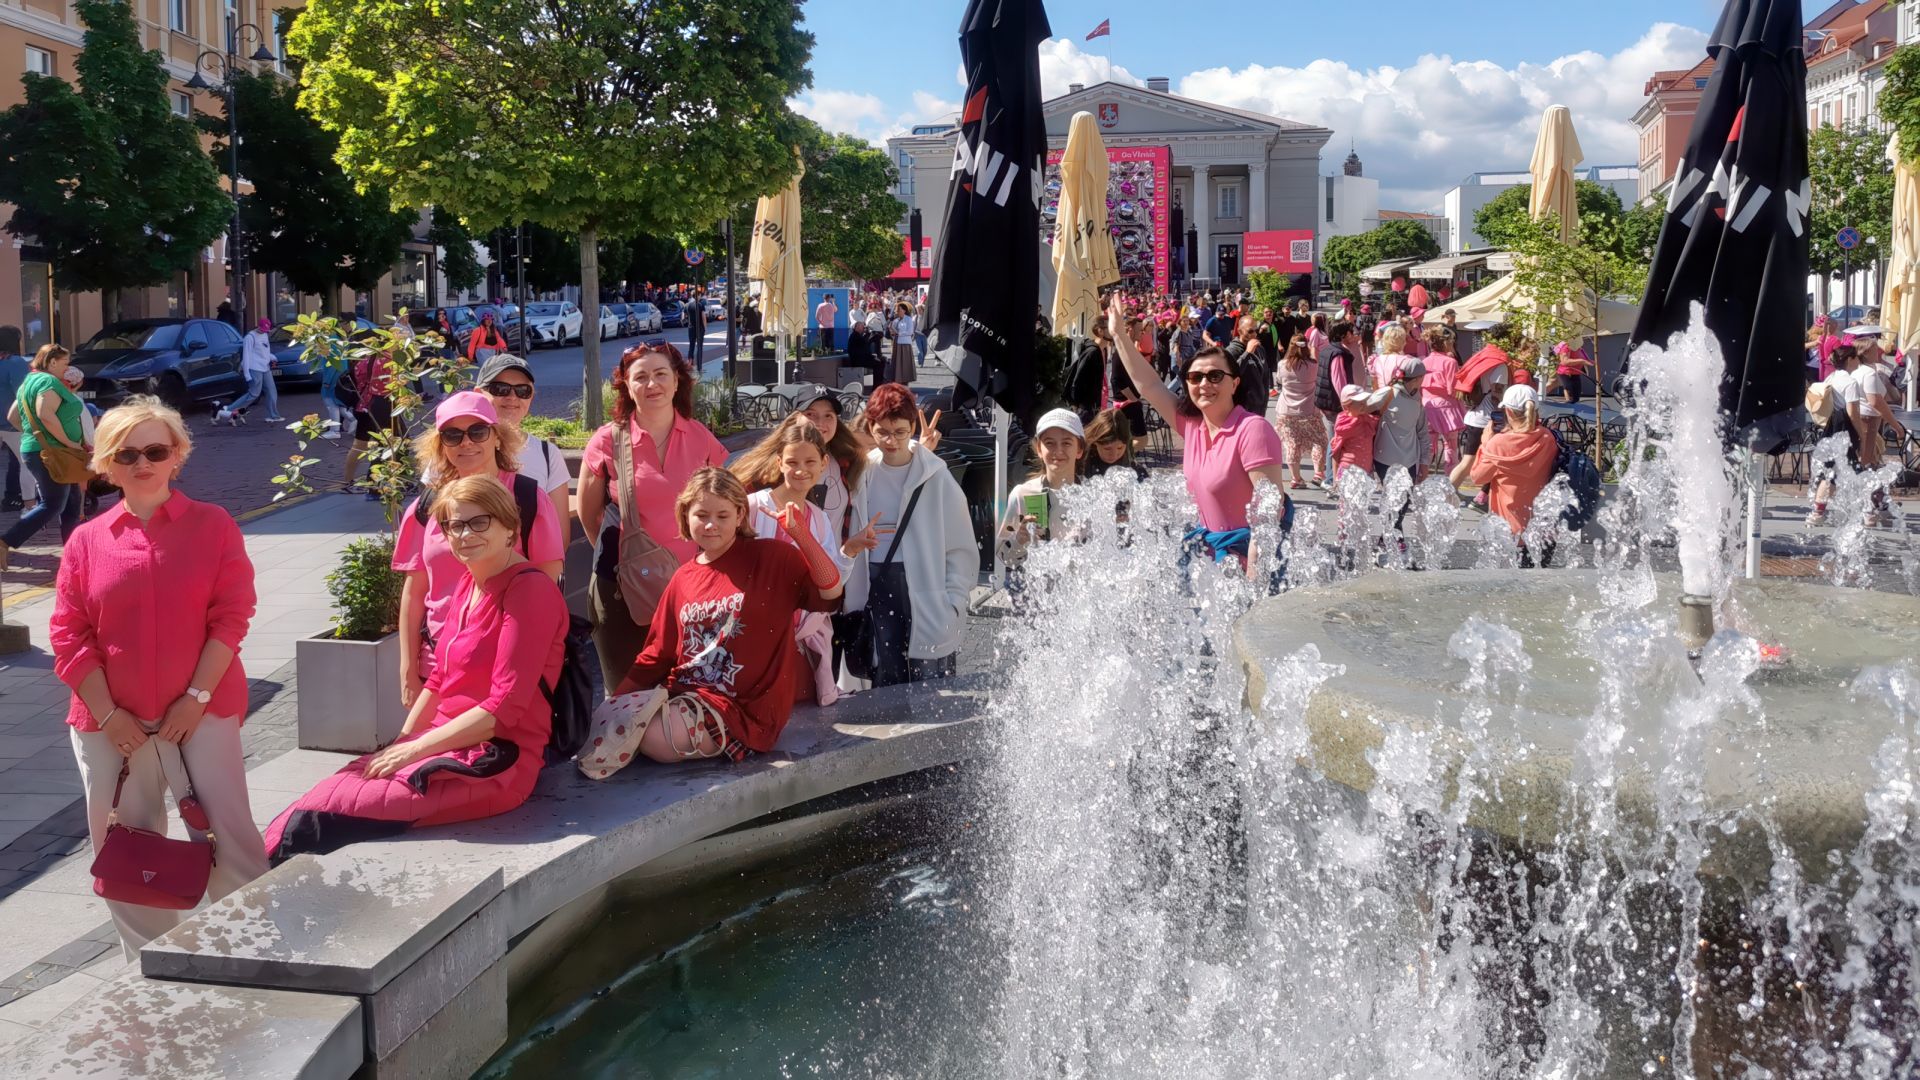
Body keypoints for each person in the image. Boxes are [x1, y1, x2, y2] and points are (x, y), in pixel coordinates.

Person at [50, 398, 268, 956]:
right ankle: (151, 966)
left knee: (229, 837)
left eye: (155, 450)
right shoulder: (86, 541)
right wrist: (108, 715)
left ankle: (252, 952)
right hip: (111, 722)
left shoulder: (213, 526)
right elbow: (69, 635)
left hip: (202, 711)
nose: (142, 463)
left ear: (177, 455)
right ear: (107, 463)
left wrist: (195, 698)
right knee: (126, 847)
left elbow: (231, 617)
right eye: (126, 454)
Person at [266, 475, 568, 860]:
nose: (465, 534)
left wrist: (412, 752)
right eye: (454, 525)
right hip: (446, 745)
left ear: (510, 527)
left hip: (496, 762)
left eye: (480, 522)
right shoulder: (471, 582)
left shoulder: (529, 591)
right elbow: (441, 679)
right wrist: (402, 743)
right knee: (322, 798)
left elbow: (503, 708)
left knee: (315, 820)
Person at [610, 467, 845, 761]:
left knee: (655, 737)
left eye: (723, 516)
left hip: (746, 711)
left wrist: (801, 535)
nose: (711, 525)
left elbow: (830, 594)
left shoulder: (773, 557)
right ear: (685, 515)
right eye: (701, 515)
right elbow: (657, 655)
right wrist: (615, 704)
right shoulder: (682, 577)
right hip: (684, 696)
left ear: (740, 515)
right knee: (622, 725)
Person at [395, 392, 565, 706]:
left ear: (497, 437)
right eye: (453, 435)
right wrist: (407, 670)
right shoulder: (426, 507)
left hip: (505, 663)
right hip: (437, 664)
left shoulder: (528, 499)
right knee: (428, 738)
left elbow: (547, 587)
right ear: (441, 445)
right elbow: (414, 593)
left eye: (478, 431)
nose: (466, 442)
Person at [578, 343, 730, 688]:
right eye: (640, 377)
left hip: (691, 588)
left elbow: (722, 508)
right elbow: (590, 517)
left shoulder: (700, 437)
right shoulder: (606, 441)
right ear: (626, 387)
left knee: (685, 690)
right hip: (622, 591)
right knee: (626, 695)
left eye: (661, 374)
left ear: (677, 381)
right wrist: (632, 560)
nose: (652, 384)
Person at [1107, 293, 1290, 576]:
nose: (1204, 383)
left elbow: (1268, 515)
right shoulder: (1193, 426)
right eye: (1195, 377)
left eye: (1215, 376)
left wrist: (1254, 581)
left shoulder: (1253, 430)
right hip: (1207, 561)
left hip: (1247, 563)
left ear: (1234, 383)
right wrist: (1119, 335)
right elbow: (1150, 386)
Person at [841, 384, 976, 686]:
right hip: (876, 580)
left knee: (930, 680)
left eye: (900, 432)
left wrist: (954, 600)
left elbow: (960, 544)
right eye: (883, 432)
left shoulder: (935, 474)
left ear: (912, 427)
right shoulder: (863, 472)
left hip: (925, 581)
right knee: (884, 675)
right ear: (871, 428)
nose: (891, 441)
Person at [1, 344, 87, 564]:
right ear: (52, 362)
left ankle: (73, 555)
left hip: (44, 450)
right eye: (65, 363)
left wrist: (33, 433)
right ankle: (6, 541)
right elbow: (44, 413)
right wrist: (67, 441)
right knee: (53, 504)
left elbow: (13, 417)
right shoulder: (48, 381)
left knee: (72, 502)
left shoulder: (29, 382)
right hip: (54, 452)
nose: (68, 368)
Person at [475, 354, 572, 536]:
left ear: (531, 397)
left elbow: (560, 536)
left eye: (523, 390)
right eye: (501, 389)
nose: (512, 397)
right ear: (478, 394)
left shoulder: (548, 454)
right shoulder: (457, 447)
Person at [1469, 384, 1560, 566]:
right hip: (1543, 534)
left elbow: (1477, 477)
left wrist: (1485, 444)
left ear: (1508, 411)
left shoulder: (1498, 444)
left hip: (1510, 533)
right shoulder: (1547, 438)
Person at [997, 408, 1084, 566]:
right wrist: (1019, 540)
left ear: (1079, 450)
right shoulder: (1023, 494)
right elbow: (1003, 559)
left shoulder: (1093, 495)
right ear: (1039, 449)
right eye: (1049, 443)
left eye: (1066, 443)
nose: (1058, 450)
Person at [1449, 337, 1513, 509]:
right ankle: (1454, 496)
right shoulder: (1500, 363)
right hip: (1488, 420)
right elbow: (1497, 392)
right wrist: (1504, 415)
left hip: (1476, 415)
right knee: (1475, 462)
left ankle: (1475, 496)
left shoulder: (1484, 356)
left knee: (1471, 461)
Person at [342, 348, 400, 494]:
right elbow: (391, 385)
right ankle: (378, 482)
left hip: (362, 405)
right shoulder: (387, 359)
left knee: (359, 445)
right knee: (388, 443)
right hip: (378, 405)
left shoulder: (363, 359)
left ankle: (347, 482)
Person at [1314, 320, 1362, 489]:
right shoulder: (1338, 354)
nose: (1353, 335)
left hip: (1326, 401)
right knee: (1336, 440)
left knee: (1333, 438)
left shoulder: (1328, 350)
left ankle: (1330, 477)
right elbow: (1339, 381)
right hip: (1335, 403)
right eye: (1350, 332)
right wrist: (1347, 404)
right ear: (1343, 335)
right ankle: (1330, 479)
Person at [1274, 335, 1326, 489]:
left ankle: (1296, 478)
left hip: (1286, 411)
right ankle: (1318, 473)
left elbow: (1279, 380)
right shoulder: (1313, 365)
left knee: (1291, 444)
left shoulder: (1282, 365)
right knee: (1319, 441)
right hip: (1309, 409)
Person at [215, 319, 283, 426]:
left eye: (266, 330)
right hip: (254, 368)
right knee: (254, 394)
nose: (264, 331)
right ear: (258, 326)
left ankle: (273, 416)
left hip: (265, 367)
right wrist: (247, 374)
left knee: (271, 391)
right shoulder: (250, 338)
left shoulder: (265, 335)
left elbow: (264, 351)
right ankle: (229, 409)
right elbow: (246, 356)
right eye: (263, 329)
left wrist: (272, 357)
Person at [1420, 326, 1466, 470]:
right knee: (1450, 445)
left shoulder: (1424, 361)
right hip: (1446, 408)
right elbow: (1452, 390)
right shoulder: (1450, 362)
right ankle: (1450, 477)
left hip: (1426, 406)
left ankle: (1423, 475)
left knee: (1428, 445)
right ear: (1447, 343)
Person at [0, 326, 34, 511]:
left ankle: (11, 497)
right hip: (12, 422)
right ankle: (29, 504)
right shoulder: (15, 362)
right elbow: (23, 394)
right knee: (26, 462)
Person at [890, 301, 916, 383]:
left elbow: (910, 332)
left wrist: (899, 333)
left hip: (905, 343)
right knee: (897, 361)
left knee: (905, 362)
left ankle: (906, 378)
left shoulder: (908, 319)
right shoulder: (896, 320)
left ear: (904, 310)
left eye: (899, 310)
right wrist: (892, 331)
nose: (897, 311)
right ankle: (897, 378)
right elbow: (892, 331)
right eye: (897, 310)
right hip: (897, 342)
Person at [685, 293, 707, 365]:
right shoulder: (700, 305)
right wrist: (705, 327)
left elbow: (685, 316)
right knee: (699, 346)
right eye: (699, 295)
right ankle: (699, 363)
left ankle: (690, 361)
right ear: (698, 296)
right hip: (699, 327)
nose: (700, 296)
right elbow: (703, 317)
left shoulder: (688, 305)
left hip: (691, 327)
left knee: (691, 345)